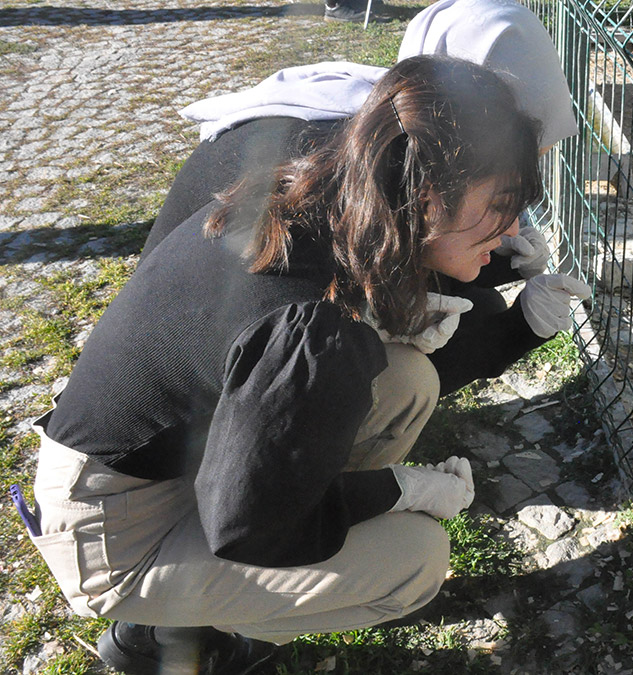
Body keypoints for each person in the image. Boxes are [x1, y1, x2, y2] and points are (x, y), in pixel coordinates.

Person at [23, 55, 589, 675]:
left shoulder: (323, 190)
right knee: (415, 558)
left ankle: (234, 590)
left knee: (404, 381)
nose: (512, 227)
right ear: (427, 198)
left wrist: (503, 281)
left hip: (167, 458)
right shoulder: (312, 330)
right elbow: (248, 526)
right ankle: (177, 640)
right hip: (114, 534)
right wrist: (399, 492)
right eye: (503, 204)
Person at [150, 0, 579, 395]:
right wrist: (519, 329)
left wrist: (495, 258)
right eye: (506, 186)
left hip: (209, 343)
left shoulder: (391, 126)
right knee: (407, 380)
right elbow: (336, 344)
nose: (517, 217)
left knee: (472, 304)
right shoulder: (332, 168)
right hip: (195, 383)